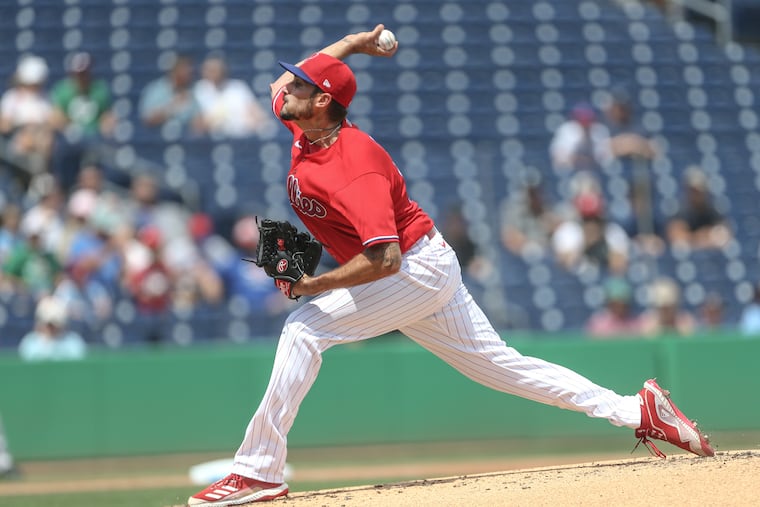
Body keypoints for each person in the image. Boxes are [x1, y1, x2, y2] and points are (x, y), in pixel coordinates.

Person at [188, 25, 714, 506]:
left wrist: (315, 284)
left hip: (412, 269)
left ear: (322, 100)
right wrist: (351, 43)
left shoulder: (355, 166)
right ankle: (635, 410)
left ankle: (258, 472)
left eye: (302, 85)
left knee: (304, 330)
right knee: (502, 366)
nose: (286, 89)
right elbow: (284, 84)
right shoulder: (309, 127)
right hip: (424, 266)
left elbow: (385, 257)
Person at [48, 52, 116, 191]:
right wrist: (68, 128)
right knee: (63, 151)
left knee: (100, 153)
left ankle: (93, 187)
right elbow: (56, 116)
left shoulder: (99, 89)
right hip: (69, 135)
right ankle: (65, 185)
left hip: (93, 134)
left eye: (84, 72)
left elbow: (107, 116)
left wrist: (106, 129)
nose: (82, 77)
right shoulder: (63, 90)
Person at [193, 53, 273, 138]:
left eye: (215, 69)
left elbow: (256, 113)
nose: (212, 73)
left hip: (243, 137)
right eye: (209, 70)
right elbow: (198, 123)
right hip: (213, 138)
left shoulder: (238, 87)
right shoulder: (199, 89)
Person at [0, 55, 55, 174]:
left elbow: (53, 121)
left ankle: (41, 177)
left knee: (48, 140)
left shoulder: (45, 98)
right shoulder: (11, 98)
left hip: (41, 137)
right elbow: (4, 125)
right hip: (17, 138)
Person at [666, 166, 732, 250]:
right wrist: (703, 236)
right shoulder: (679, 212)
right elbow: (677, 238)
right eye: (692, 190)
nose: (696, 194)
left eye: (699, 191)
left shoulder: (713, 211)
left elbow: (724, 236)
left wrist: (693, 238)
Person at [138, 54, 204, 135]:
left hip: (185, 138)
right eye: (184, 70)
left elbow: (199, 119)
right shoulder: (157, 89)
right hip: (157, 137)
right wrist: (172, 108)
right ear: (175, 71)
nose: (188, 74)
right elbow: (148, 119)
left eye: (189, 71)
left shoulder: (193, 90)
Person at [18, 295, 87, 361]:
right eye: (48, 325)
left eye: (54, 324)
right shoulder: (30, 343)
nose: (51, 328)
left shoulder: (73, 343)